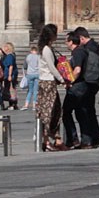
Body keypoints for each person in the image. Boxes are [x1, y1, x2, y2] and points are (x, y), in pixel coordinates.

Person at [36, 23, 68, 151]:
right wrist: (62, 79)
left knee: (55, 111)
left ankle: (56, 139)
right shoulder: (46, 50)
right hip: (48, 83)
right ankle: (47, 141)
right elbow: (51, 67)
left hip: (47, 82)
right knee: (48, 113)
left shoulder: (46, 48)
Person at [71, 27, 99, 148]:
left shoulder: (85, 50)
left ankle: (88, 139)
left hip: (86, 83)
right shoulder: (95, 46)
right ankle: (95, 136)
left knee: (83, 111)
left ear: (81, 38)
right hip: (93, 83)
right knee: (89, 111)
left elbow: (81, 68)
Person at [0, 42, 18, 110]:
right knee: (10, 89)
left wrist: (10, 75)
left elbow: (10, 66)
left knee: (11, 89)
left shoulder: (10, 56)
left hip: (10, 74)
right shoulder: (10, 55)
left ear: (8, 48)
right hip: (9, 74)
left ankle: (13, 104)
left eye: (5, 47)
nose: (4, 48)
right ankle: (13, 104)